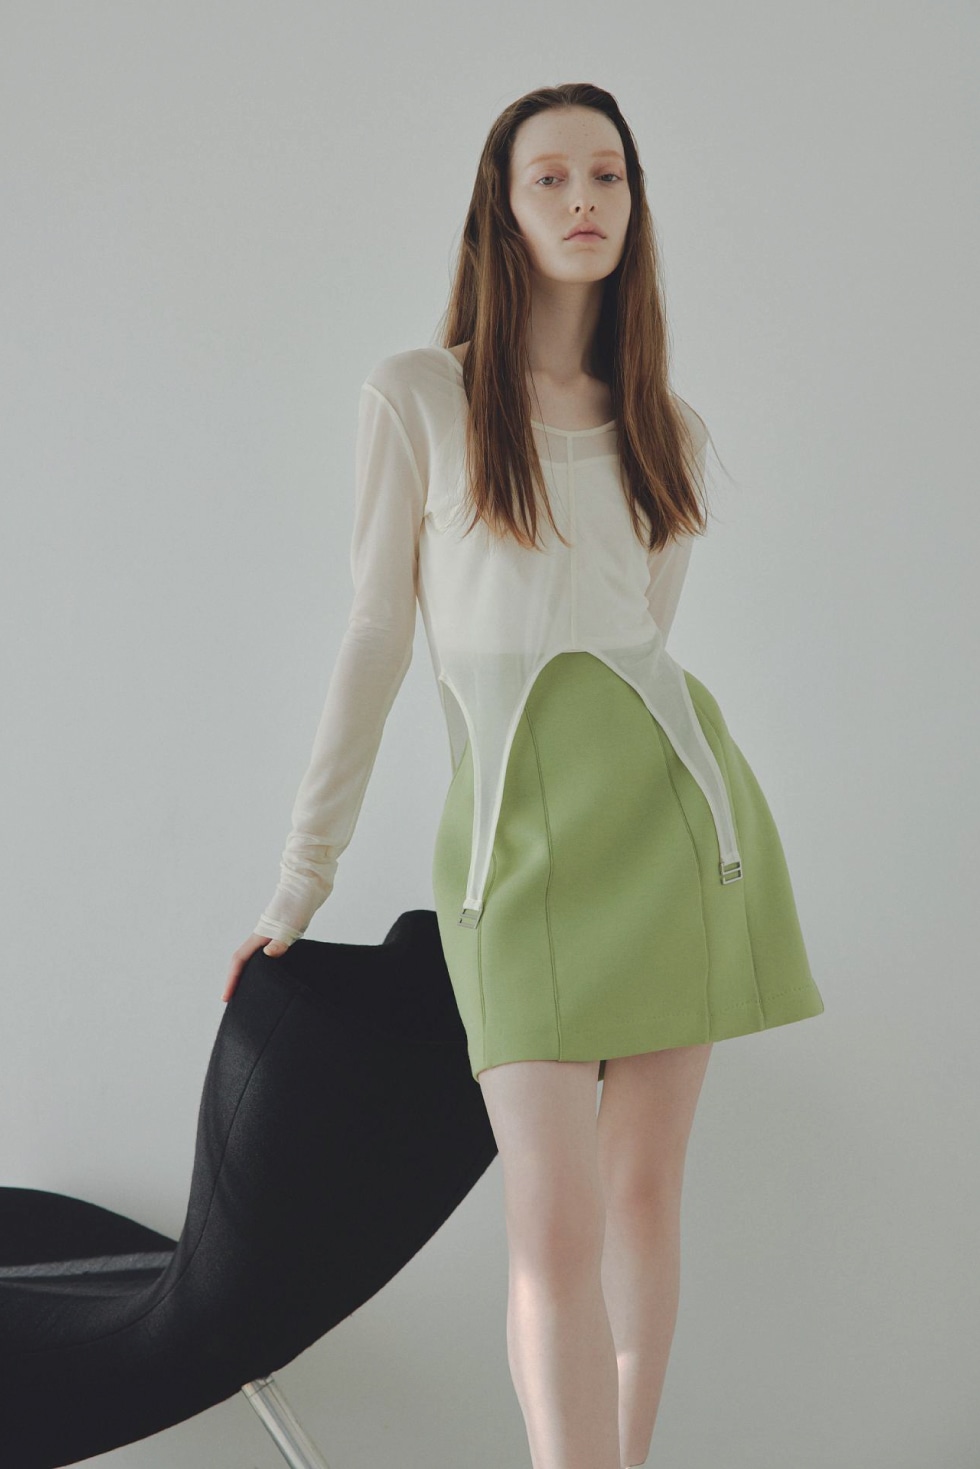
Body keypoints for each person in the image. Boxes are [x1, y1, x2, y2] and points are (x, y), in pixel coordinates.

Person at [222, 82, 825, 1469]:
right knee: (550, 1223)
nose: (582, 199)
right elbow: (377, 638)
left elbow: (640, 649)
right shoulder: (418, 396)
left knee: (643, 1201)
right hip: (512, 852)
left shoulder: (663, 423)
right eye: (549, 176)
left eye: (606, 174)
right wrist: (299, 882)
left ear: (635, 204)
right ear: (500, 208)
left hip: (678, 832)